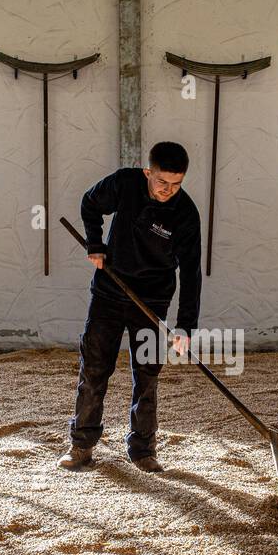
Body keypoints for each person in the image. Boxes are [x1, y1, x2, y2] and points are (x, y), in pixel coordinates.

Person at [59, 141, 202, 473]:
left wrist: (185, 327)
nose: (168, 190)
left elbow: (191, 272)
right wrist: (95, 243)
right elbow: (90, 203)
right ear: (147, 172)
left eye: (176, 184)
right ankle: (81, 445)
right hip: (110, 291)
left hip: (152, 301)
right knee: (95, 369)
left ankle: (142, 450)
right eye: (162, 182)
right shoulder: (125, 183)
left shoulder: (186, 215)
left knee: (147, 375)